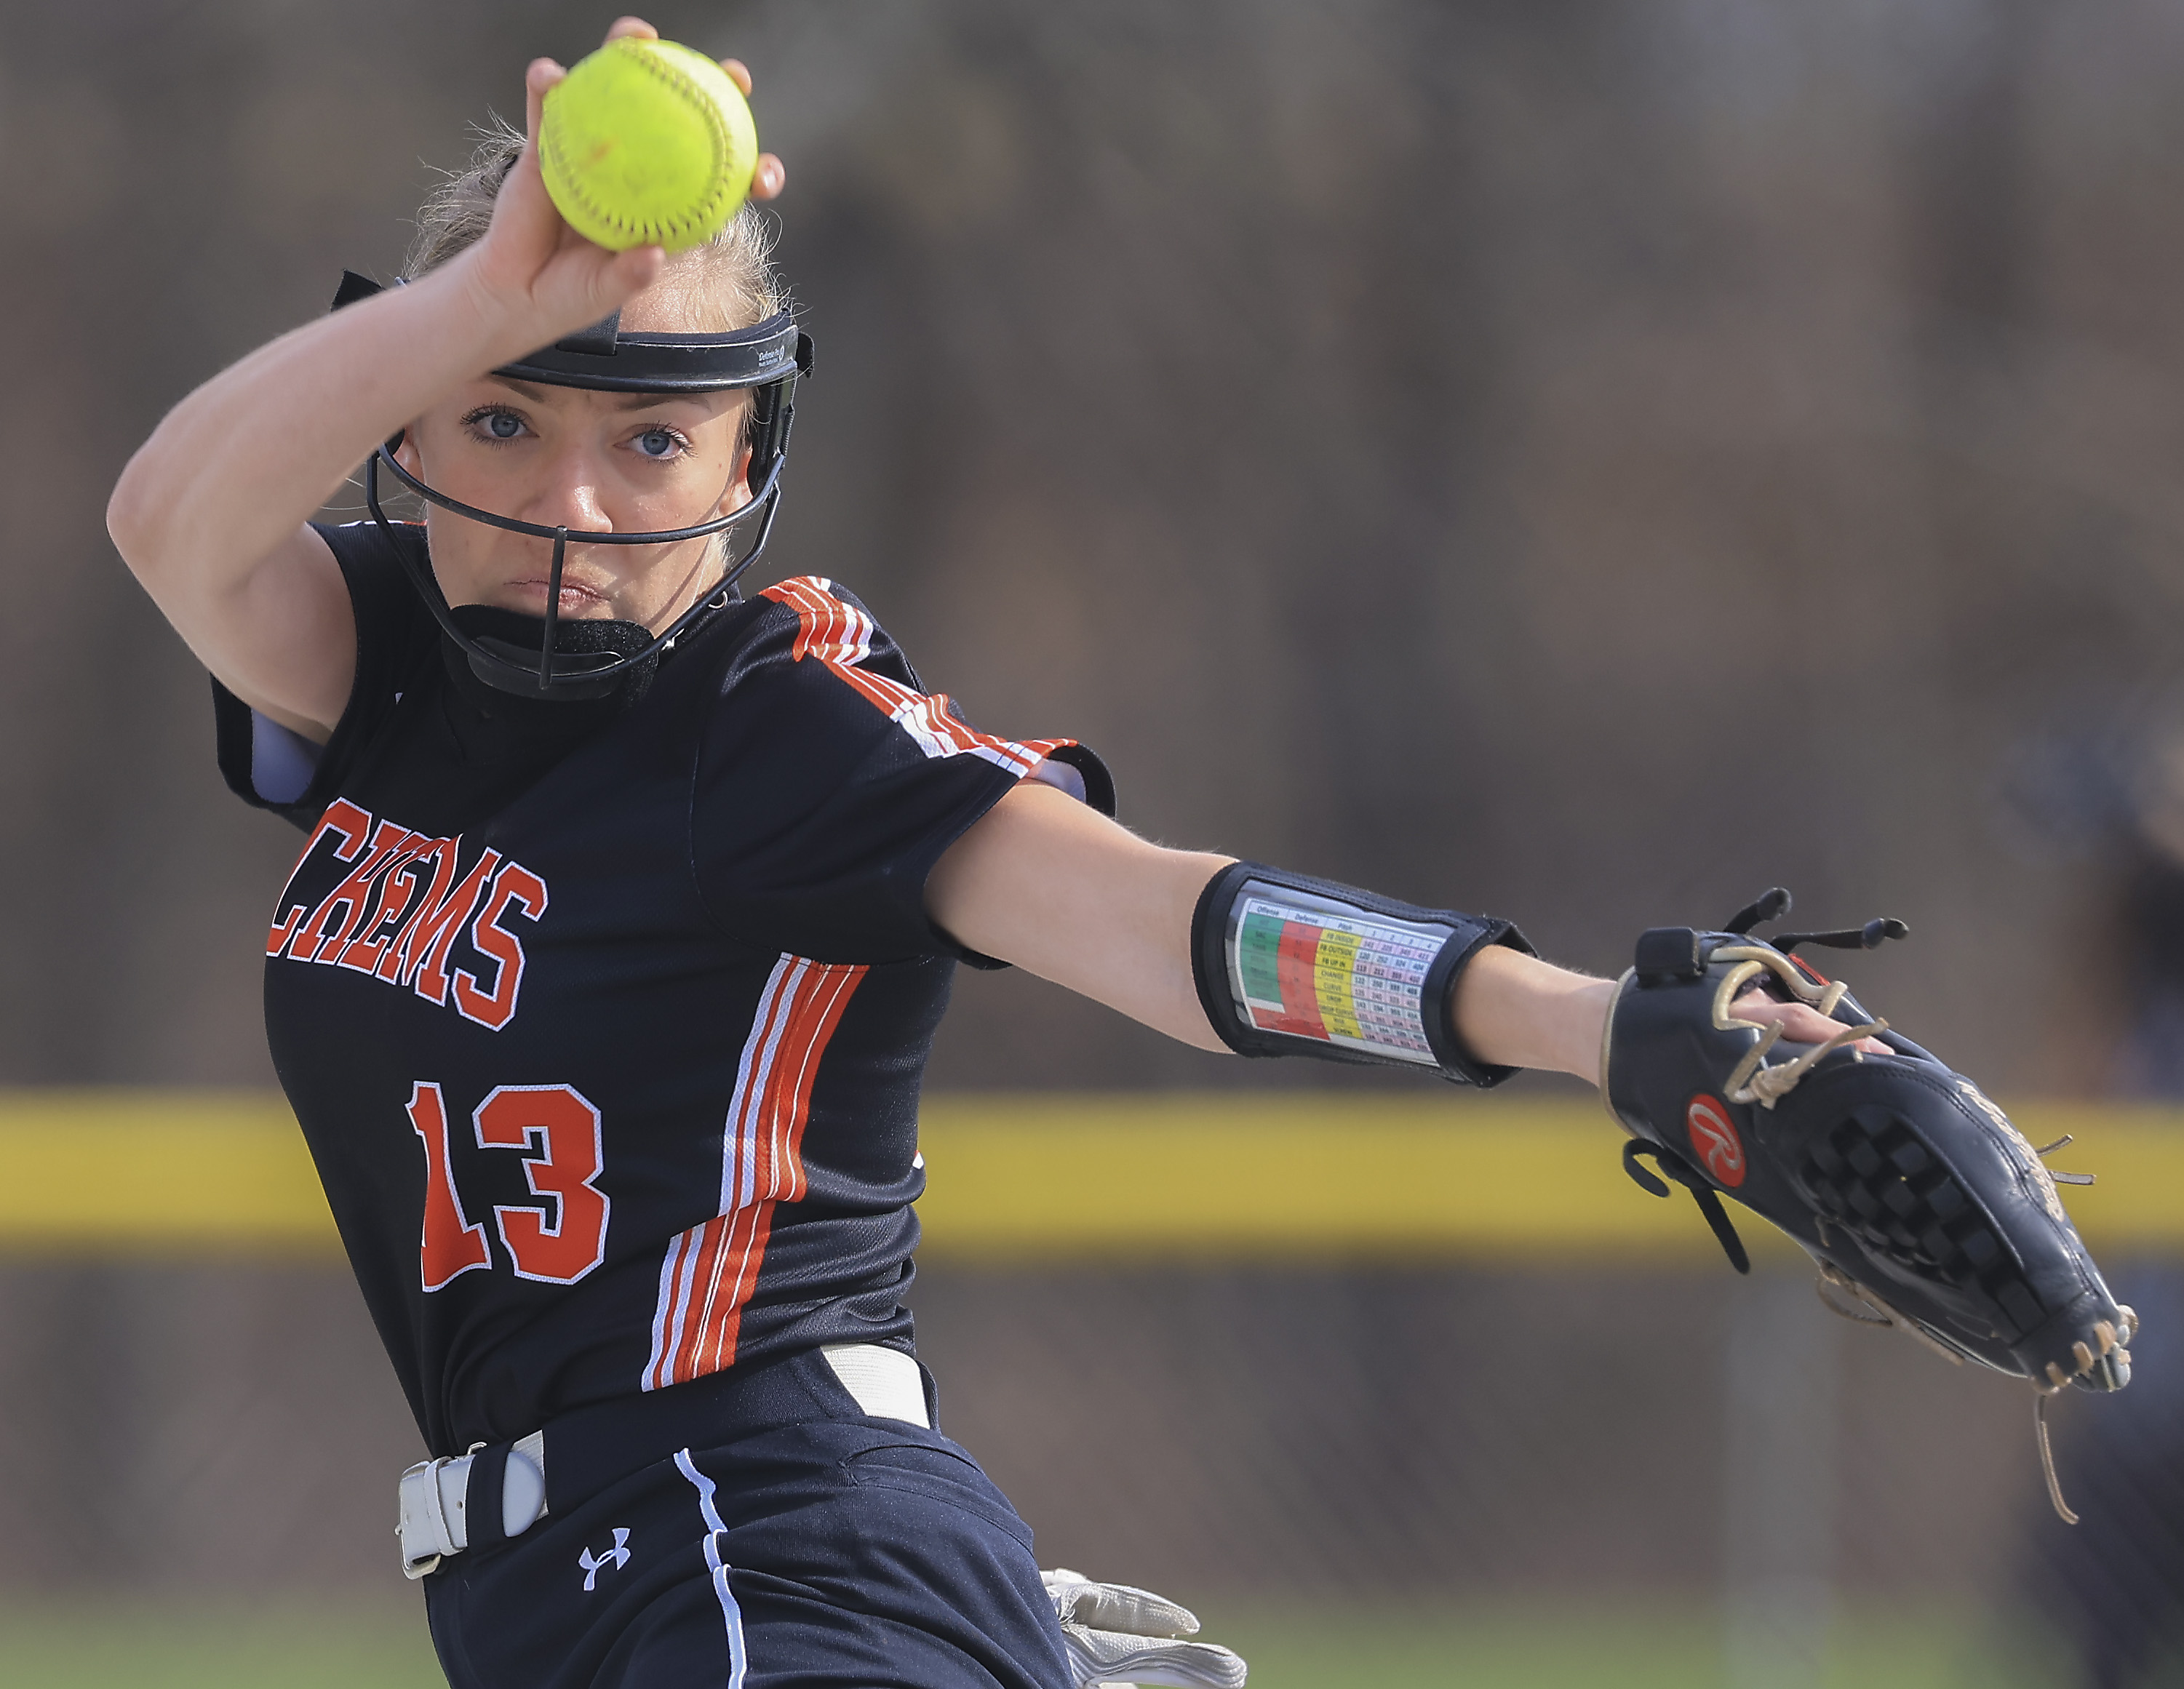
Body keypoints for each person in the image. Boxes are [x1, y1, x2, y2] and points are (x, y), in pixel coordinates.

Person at [106, 17, 1854, 1689]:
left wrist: (1578, 1025)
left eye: (651, 440)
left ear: (746, 450)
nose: (575, 505)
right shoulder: (381, 662)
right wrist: (486, 294)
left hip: (767, 1540)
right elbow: (167, 518)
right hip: (554, 1594)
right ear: (400, 427)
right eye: (504, 418)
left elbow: (1173, 925)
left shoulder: (771, 722)